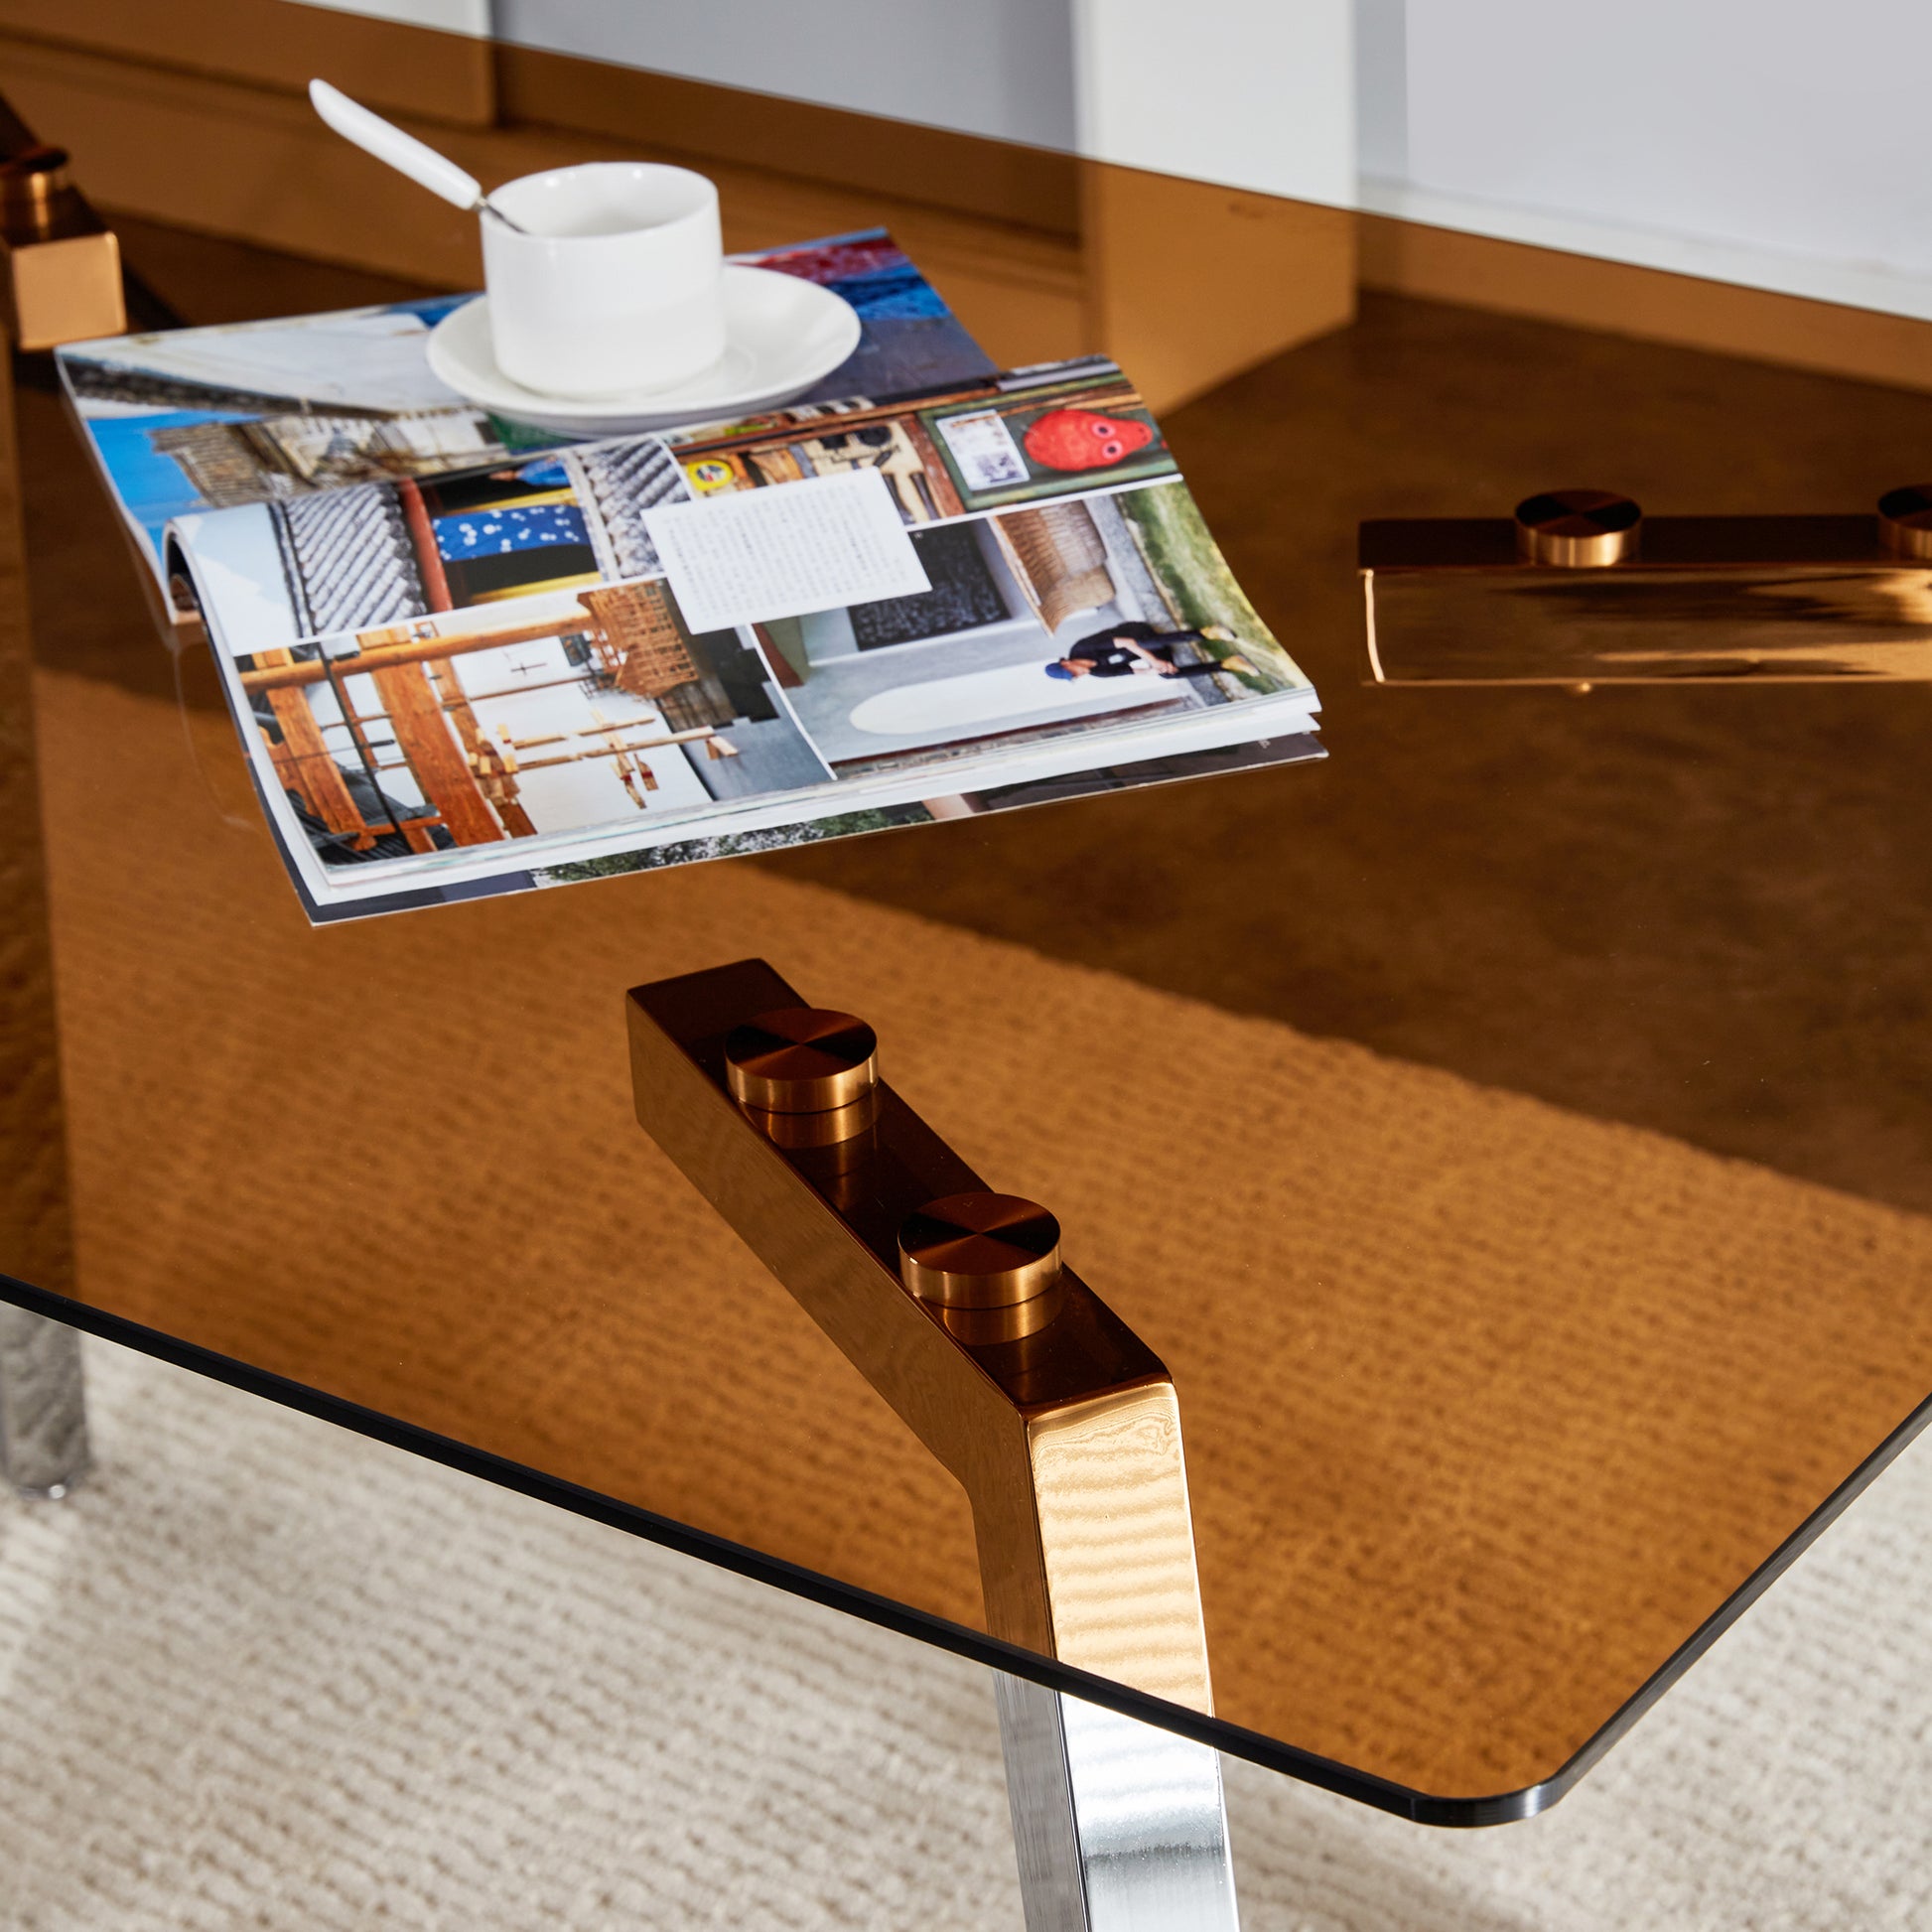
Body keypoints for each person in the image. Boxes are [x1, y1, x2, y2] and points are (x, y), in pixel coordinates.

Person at [1044, 621, 1256, 683]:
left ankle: (1207, 632)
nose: (1078, 675)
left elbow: (1127, 642)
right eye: (1074, 678)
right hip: (1143, 651)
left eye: (1072, 673)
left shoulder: (1081, 648)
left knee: (1148, 643)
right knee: (1167, 675)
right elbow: (1134, 671)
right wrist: (1158, 668)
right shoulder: (1099, 673)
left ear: (1066, 663)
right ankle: (1227, 664)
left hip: (1135, 633)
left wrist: (1152, 660)